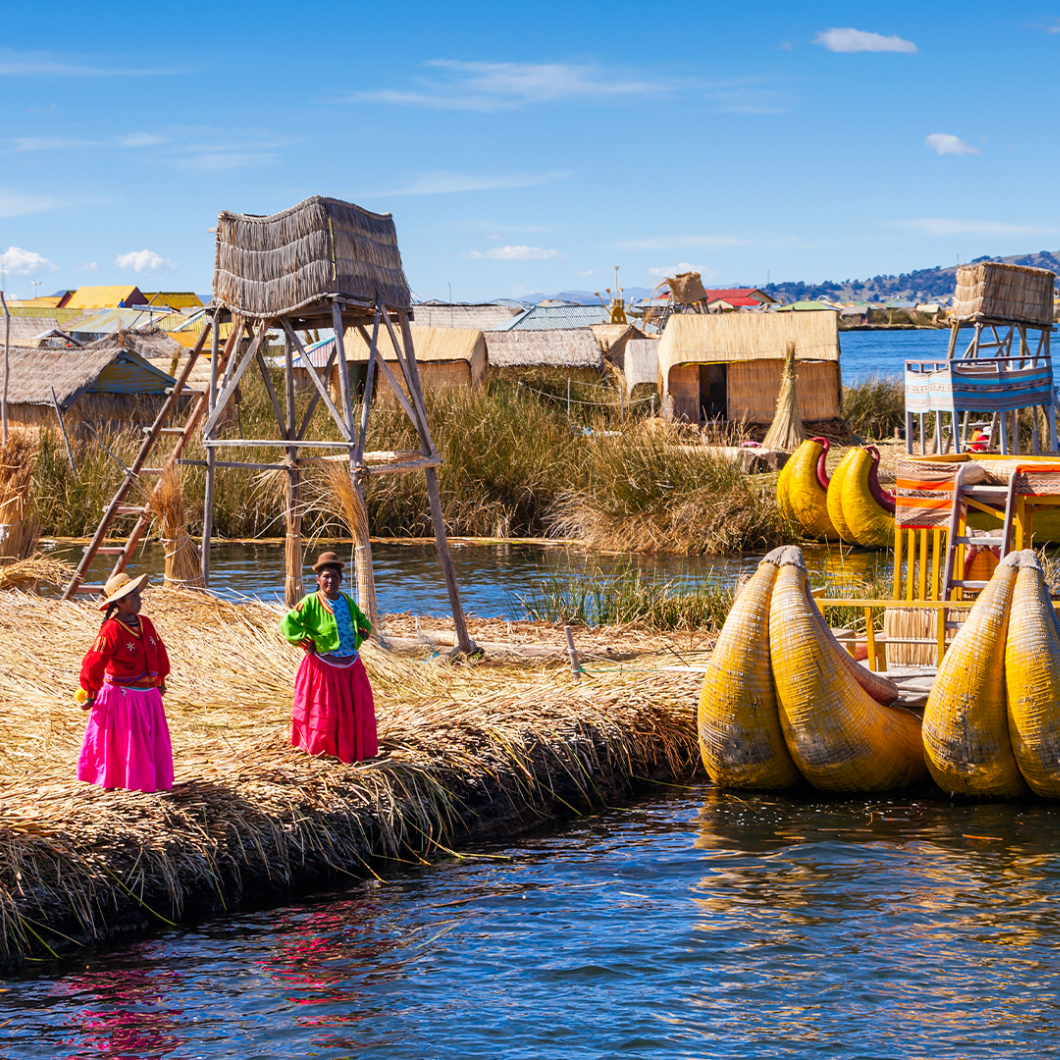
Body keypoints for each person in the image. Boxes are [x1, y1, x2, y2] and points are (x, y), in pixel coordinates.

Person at [77, 572, 173, 792]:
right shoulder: (111, 629)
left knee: (149, 741)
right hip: (123, 698)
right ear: (119, 602)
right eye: (134, 596)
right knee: (127, 743)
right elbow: (93, 662)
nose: (140, 599)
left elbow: (159, 651)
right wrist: (90, 693)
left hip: (148, 697)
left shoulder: (145, 623)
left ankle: (149, 783)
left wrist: (160, 681)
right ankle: (122, 784)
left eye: (138, 595)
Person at [280, 552, 378, 763]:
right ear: (318, 580)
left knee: (352, 710)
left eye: (334, 576)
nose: (330, 580)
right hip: (324, 666)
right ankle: (322, 748)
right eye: (326, 576)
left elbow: (362, 620)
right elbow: (288, 623)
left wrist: (363, 632)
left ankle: (349, 747)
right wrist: (306, 642)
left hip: (350, 664)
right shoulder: (311, 602)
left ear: (341, 579)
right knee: (325, 711)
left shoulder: (347, 601)